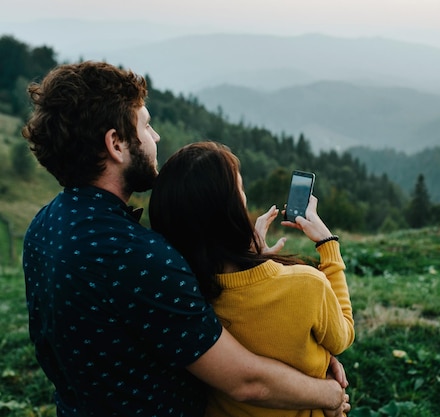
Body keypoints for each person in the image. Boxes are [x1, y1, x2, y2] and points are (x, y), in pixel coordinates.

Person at [21, 61, 349, 417]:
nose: (156, 137)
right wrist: (328, 393)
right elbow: (247, 382)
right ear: (116, 144)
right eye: (146, 125)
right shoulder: (137, 257)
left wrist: (247, 256)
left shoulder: (44, 226)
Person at [148, 141, 355, 417]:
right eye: (240, 192)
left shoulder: (184, 299)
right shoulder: (308, 284)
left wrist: (253, 255)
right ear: (231, 210)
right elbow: (342, 336)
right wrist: (328, 245)